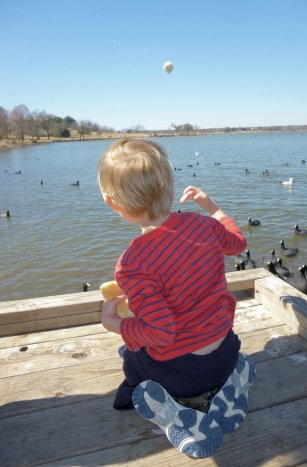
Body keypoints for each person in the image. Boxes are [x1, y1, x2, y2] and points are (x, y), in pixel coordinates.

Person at [97, 138, 255, 458]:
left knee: (131, 353)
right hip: (225, 350)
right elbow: (238, 243)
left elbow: (161, 332)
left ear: (113, 204)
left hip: (182, 376)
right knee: (143, 340)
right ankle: (228, 383)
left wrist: (112, 322)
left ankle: (168, 407)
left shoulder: (132, 264)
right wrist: (213, 207)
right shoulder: (204, 226)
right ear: (170, 186)